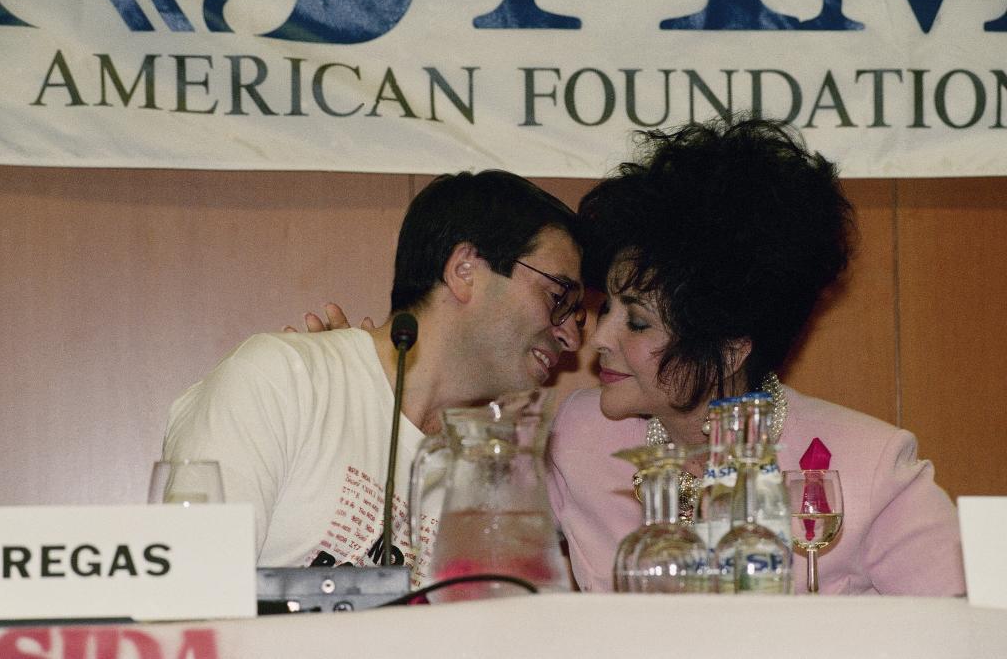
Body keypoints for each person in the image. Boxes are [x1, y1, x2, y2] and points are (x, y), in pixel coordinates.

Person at [546, 118, 966, 595]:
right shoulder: (578, 437)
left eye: (637, 322)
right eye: (606, 309)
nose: (599, 337)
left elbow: (965, 628)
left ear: (730, 349)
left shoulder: (869, 464)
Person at [163, 170, 586, 574]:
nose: (570, 336)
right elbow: (191, 602)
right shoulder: (282, 379)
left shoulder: (491, 468)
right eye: (558, 296)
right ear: (465, 270)